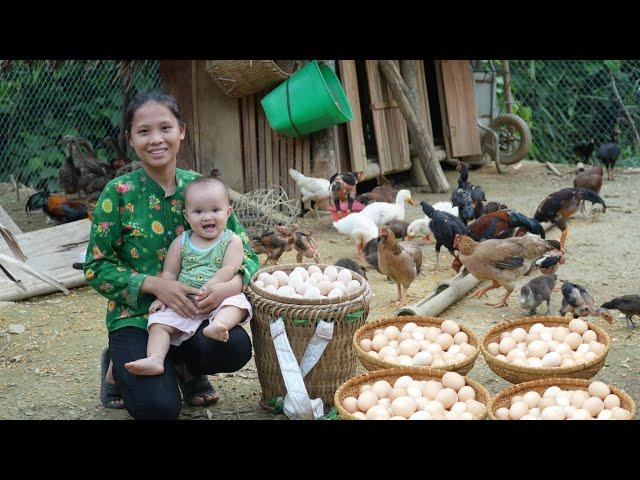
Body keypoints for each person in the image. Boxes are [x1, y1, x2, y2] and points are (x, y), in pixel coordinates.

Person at [84, 90, 260, 419]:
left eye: (165, 128)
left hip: (198, 313)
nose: (156, 139)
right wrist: (154, 284)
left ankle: (185, 368)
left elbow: (248, 255)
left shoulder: (204, 190)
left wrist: (227, 288)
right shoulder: (118, 194)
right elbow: (96, 267)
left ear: (181, 130)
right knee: (158, 410)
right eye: (143, 131)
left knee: (235, 347)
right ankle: (117, 365)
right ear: (130, 139)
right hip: (138, 319)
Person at [124, 177, 253, 376]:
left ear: (228, 212)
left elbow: (229, 269)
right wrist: (161, 297)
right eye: (198, 211)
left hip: (219, 296)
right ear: (186, 215)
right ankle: (155, 359)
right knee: (159, 323)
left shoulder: (231, 240)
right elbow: (169, 274)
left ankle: (219, 325)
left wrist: (215, 287)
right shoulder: (181, 242)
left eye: (215, 210)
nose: (207, 217)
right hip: (184, 302)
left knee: (238, 304)